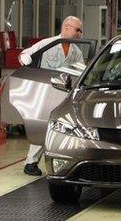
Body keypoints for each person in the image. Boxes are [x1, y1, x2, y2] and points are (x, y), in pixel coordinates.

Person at [18, 16, 84, 176]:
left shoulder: (76, 51)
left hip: (64, 95)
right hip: (45, 93)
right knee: (43, 127)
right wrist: (28, 63)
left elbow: (82, 71)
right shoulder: (48, 44)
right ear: (67, 27)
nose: (80, 34)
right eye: (78, 30)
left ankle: (65, 162)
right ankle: (31, 163)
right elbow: (24, 55)